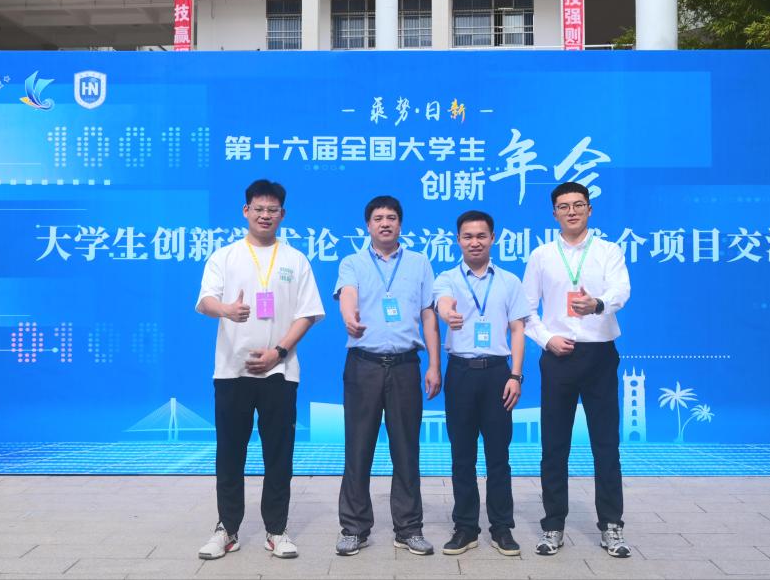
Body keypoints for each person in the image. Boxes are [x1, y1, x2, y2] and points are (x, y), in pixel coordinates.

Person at [195, 179, 325, 561]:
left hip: (279, 373)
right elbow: (205, 300)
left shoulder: (295, 260)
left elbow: (308, 314)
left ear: (282, 215)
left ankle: (276, 530)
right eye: (258, 209)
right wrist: (227, 310)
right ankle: (227, 529)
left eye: (272, 210)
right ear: (245, 211)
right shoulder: (225, 256)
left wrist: (278, 352)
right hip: (232, 372)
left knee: (278, 456)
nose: (265, 215)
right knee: (229, 454)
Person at [522, 181, 632, 558]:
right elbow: (526, 309)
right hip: (558, 357)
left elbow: (621, 290)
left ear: (589, 210)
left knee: (606, 445)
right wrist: (547, 339)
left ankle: (612, 526)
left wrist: (598, 304)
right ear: (554, 213)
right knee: (554, 447)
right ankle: (553, 525)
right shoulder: (541, 256)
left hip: (599, 355)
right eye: (564, 206)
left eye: (578, 205)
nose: (572, 211)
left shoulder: (608, 251)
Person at [333, 195, 442, 557]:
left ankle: (409, 528)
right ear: (368, 225)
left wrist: (434, 364)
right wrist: (349, 317)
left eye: (391, 217)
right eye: (378, 218)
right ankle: (354, 528)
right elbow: (348, 294)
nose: (385, 223)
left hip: (406, 365)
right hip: (363, 365)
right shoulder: (353, 262)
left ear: (400, 224)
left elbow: (428, 314)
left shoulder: (419, 262)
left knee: (406, 449)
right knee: (358, 448)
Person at [433, 210, 528, 556]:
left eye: (481, 236)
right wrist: (448, 313)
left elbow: (518, 329)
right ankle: (465, 528)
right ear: (458, 240)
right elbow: (442, 302)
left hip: (498, 374)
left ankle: (502, 528)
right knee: (462, 455)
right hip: (460, 373)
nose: (475, 242)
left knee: (498, 455)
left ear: (493, 239)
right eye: (468, 236)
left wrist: (515, 375)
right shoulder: (447, 278)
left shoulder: (509, 281)